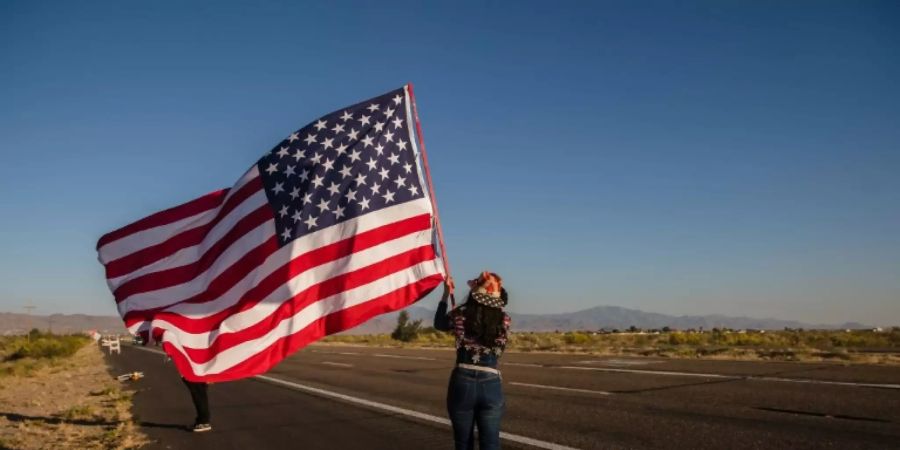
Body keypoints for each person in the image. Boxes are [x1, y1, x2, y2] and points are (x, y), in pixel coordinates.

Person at [434, 272, 511, 450]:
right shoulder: (504, 320)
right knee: (490, 444)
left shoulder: (459, 314)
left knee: (463, 444)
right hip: (491, 382)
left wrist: (446, 294)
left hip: (462, 380)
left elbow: (439, 323)